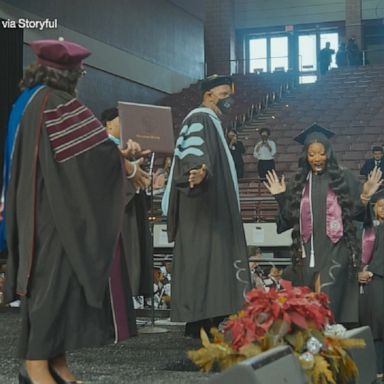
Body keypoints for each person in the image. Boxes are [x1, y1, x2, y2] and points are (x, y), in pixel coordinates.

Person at [4, 39, 138, 384]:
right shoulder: (60, 103)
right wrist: (121, 158)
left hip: (40, 205)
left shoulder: (32, 100)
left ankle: (55, 362)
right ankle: (35, 367)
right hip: (55, 212)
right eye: (80, 70)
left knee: (55, 286)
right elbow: (93, 157)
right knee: (53, 286)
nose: (83, 73)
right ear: (68, 72)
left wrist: (114, 155)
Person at [264, 123, 382, 324]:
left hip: (337, 249)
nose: (317, 159)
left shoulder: (344, 178)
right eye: (312, 154)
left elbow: (358, 215)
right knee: (311, 306)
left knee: (328, 300)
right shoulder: (299, 182)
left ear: (328, 153)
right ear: (306, 156)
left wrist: (364, 196)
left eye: (321, 153)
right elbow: (287, 221)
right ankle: (316, 347)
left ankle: (330, 344)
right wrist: (280, 197)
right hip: (307, 252)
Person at [162, 74, 251, 338]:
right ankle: (202, 322)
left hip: (207, 207)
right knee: (207, 262)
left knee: (211, 263)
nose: (228, 100)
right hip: (202, 208)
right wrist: (197, 171)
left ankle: (204, 322)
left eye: (229, 95)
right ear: (208, 95)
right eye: (223, 95)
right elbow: (195, 153)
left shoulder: (210, 121)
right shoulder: (200, 118)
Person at [100, 107, 153, 300]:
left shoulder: (126, 148)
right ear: (108, 123)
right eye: (120, 121)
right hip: (116, 210)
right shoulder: (104, 146)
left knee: (134, 252)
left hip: (132, 205)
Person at [359, 189, 384, 380]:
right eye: (380, 206)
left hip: (377, 279)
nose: (383, 209)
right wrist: (358, 273)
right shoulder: (366, 228)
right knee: (368, 325)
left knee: (378, 323)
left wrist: (371, 270)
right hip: (364, 282)